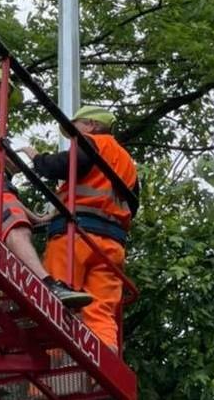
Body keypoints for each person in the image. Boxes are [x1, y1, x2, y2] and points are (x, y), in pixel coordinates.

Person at [0, 66, 92, 309]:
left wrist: (37, 217)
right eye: (5, 95)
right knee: (17, 230)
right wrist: (9, 158)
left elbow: (3, 197)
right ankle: (48, 286)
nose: (4, 106)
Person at [21, 105, 138, 349]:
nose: (73, 134)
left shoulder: (92, 142)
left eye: (76, 125)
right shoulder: (127, 162)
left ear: (92, 125)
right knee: (101, 311)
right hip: (112, 245)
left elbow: (64, 165)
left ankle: (53, 377)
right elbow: (132, 204)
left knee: (58, 298)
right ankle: (106, 365)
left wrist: (38, 159)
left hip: (76, 236)